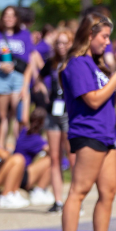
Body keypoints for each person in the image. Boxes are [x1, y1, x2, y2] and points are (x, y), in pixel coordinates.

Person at [57, 12, 116, 231]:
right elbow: (92, 100)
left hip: (105, 133)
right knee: (79, 191)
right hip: (87, 132)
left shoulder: (94, 64)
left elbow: (107, 99)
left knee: (108, 191)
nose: (106, 42)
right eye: (103, 36)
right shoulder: (76, 63)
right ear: (89, 34)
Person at [0, 6, 32, 150]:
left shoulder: (24, 35)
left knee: (19, 114)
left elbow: (30, 62)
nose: (9, 18)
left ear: (17, 18)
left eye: (12, 15)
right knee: (1, 116)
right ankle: (0, 148)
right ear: (2, 17)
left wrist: (25, 85)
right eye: (6, 15)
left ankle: (19, 148)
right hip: (0, 77)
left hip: (18, 78)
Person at [36, 28, 73, 212]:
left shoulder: (75, 62)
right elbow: (38, 79)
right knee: (55, 157)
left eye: (65, 42)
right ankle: (58, 201)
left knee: (72, 156)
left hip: (69, 112)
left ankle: (74, 200)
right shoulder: (51, 62)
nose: (61, 46)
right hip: (53, 112)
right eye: (58, 43)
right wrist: (45, 94)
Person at [13, 107, 55, 205]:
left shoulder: (23, 131)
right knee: (53, 159)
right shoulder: (36, 139)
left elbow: (22, 118)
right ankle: (39, 191)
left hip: (19, 174)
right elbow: (53, 151)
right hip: (23, 177)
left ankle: (40, 190)